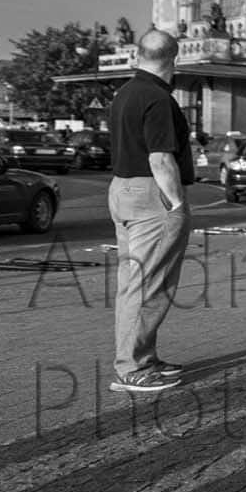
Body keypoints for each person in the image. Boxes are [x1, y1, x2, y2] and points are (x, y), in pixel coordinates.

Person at [107, 28, 196, 393]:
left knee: (132, 281)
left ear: (138, 55)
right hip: (149, 194)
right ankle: (132, 367)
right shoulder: (158, 99)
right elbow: (160, 158)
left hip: (121, 189)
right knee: (149, 283)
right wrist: (176, 204)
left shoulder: (124, 93)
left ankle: (142, 356)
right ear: (173, 61)